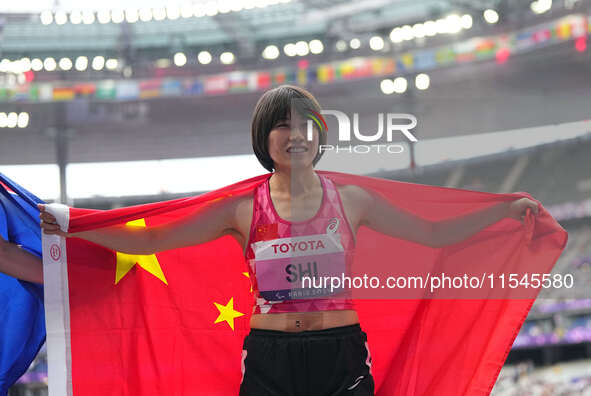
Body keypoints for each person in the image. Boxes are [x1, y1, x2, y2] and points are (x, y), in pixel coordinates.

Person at [2, 85, 538, 395]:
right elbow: (154, 240)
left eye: (304, 123)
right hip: (269, 356)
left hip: (341, 355)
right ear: (265, 138)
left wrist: (502, 216)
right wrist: (75, 226)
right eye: (281, 125)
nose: (294, 133)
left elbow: (433, 233)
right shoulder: (241, 209)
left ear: (320, 134)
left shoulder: (353, 201)